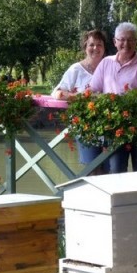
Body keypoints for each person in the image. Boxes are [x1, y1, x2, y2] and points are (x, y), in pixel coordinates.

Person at [89, 22, 137, 173]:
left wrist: (113, 100)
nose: (126, 44)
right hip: (113, 126)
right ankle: (118, 197)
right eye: (122, 40)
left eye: (131, 40)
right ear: (115, 42)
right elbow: (93, 89)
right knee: (116, 171)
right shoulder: (106, 63)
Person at [52, 29, 109, 172]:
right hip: (86, 127)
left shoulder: (110, 67)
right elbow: (57, 93)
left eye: (99, 45)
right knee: (91, 170)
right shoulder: (76, 70)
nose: (95, 48)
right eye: (91, 45)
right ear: (85, 47)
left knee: (112, 171)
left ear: (104, 48)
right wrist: (82, 97)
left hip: (111, 127)